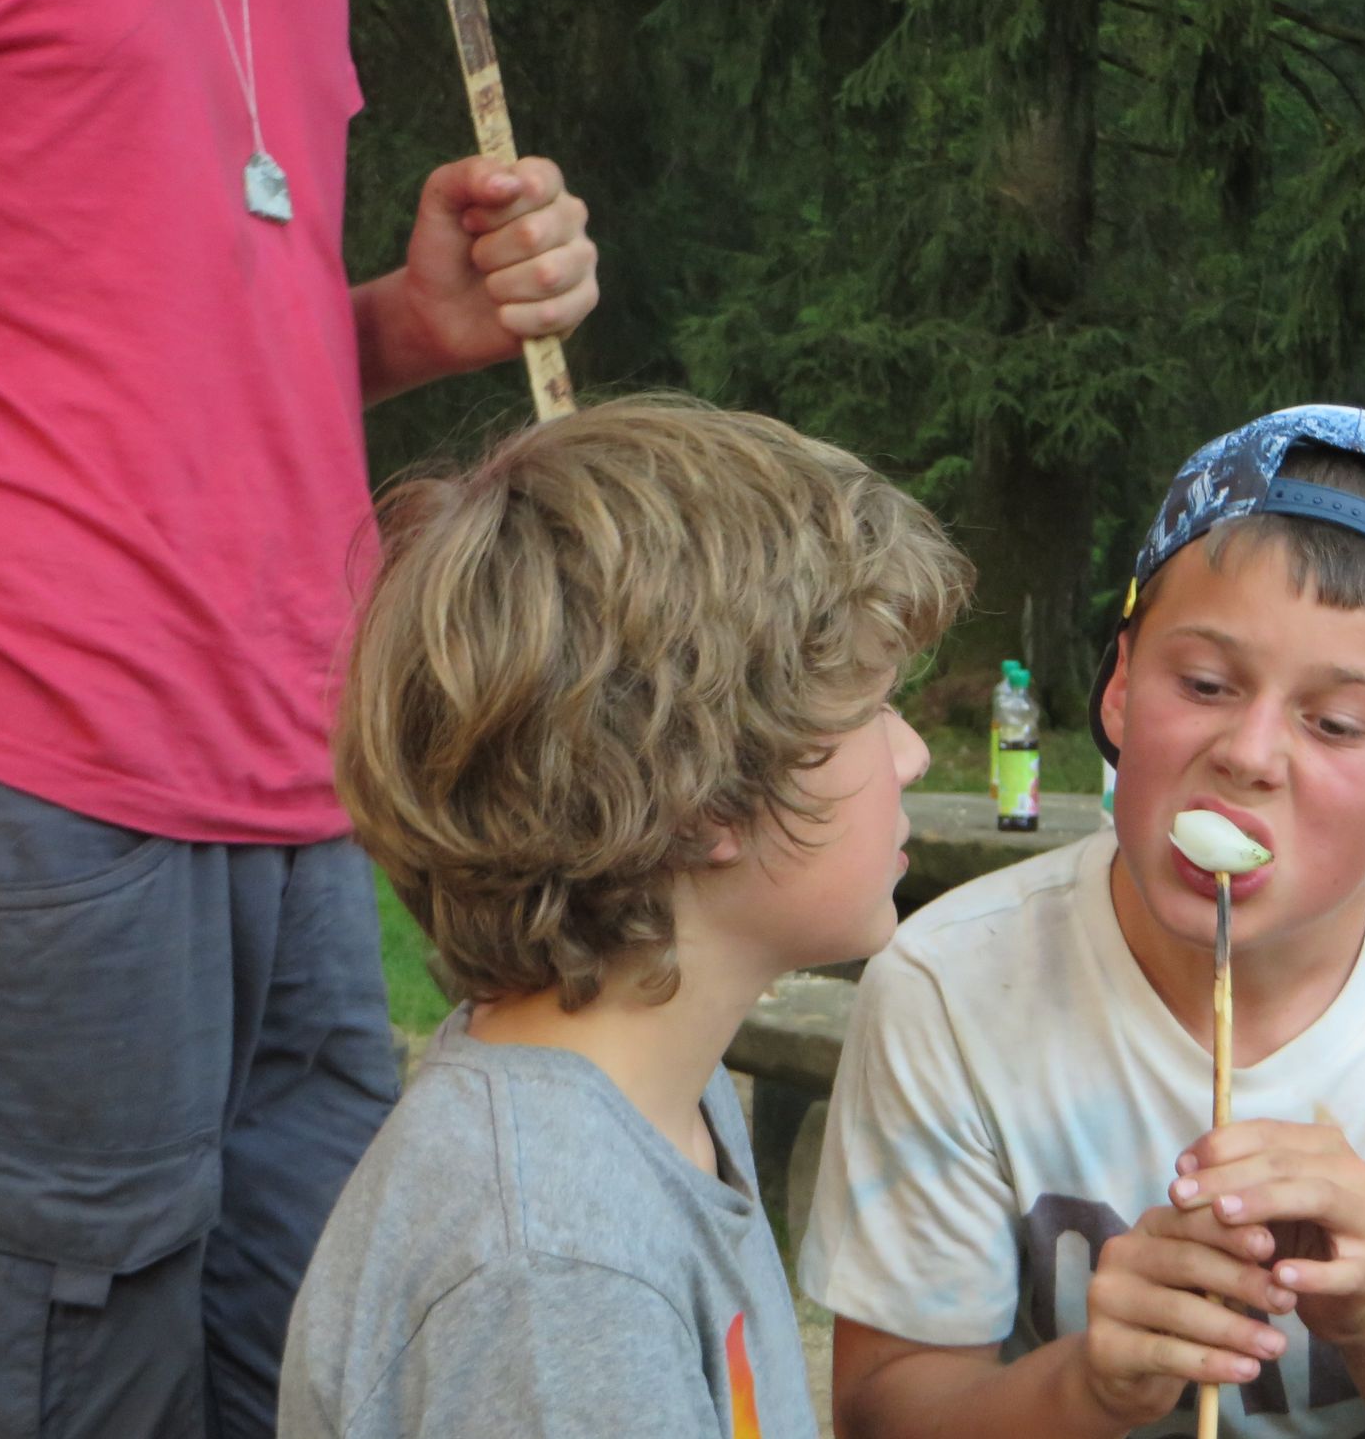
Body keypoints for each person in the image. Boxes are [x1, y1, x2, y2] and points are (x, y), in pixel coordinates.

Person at [0, 0, 599, 1437]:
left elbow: (164, 332)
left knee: (320, 1364)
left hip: (304, 778)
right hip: (40, 751)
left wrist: (412, 321)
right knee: (72, 1378)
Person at [801, 405, 1365, 1438]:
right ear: (1121, 688)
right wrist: (1091, 1385)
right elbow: (884, 1412)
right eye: (1205, 683)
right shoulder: (951, 983)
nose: (1250, 752)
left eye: (1336, 723)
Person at [277, 398, 970, 1438]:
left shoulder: (659, 1101)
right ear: (709, 803)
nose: (910, 753)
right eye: (870, 708)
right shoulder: (560, 1270)